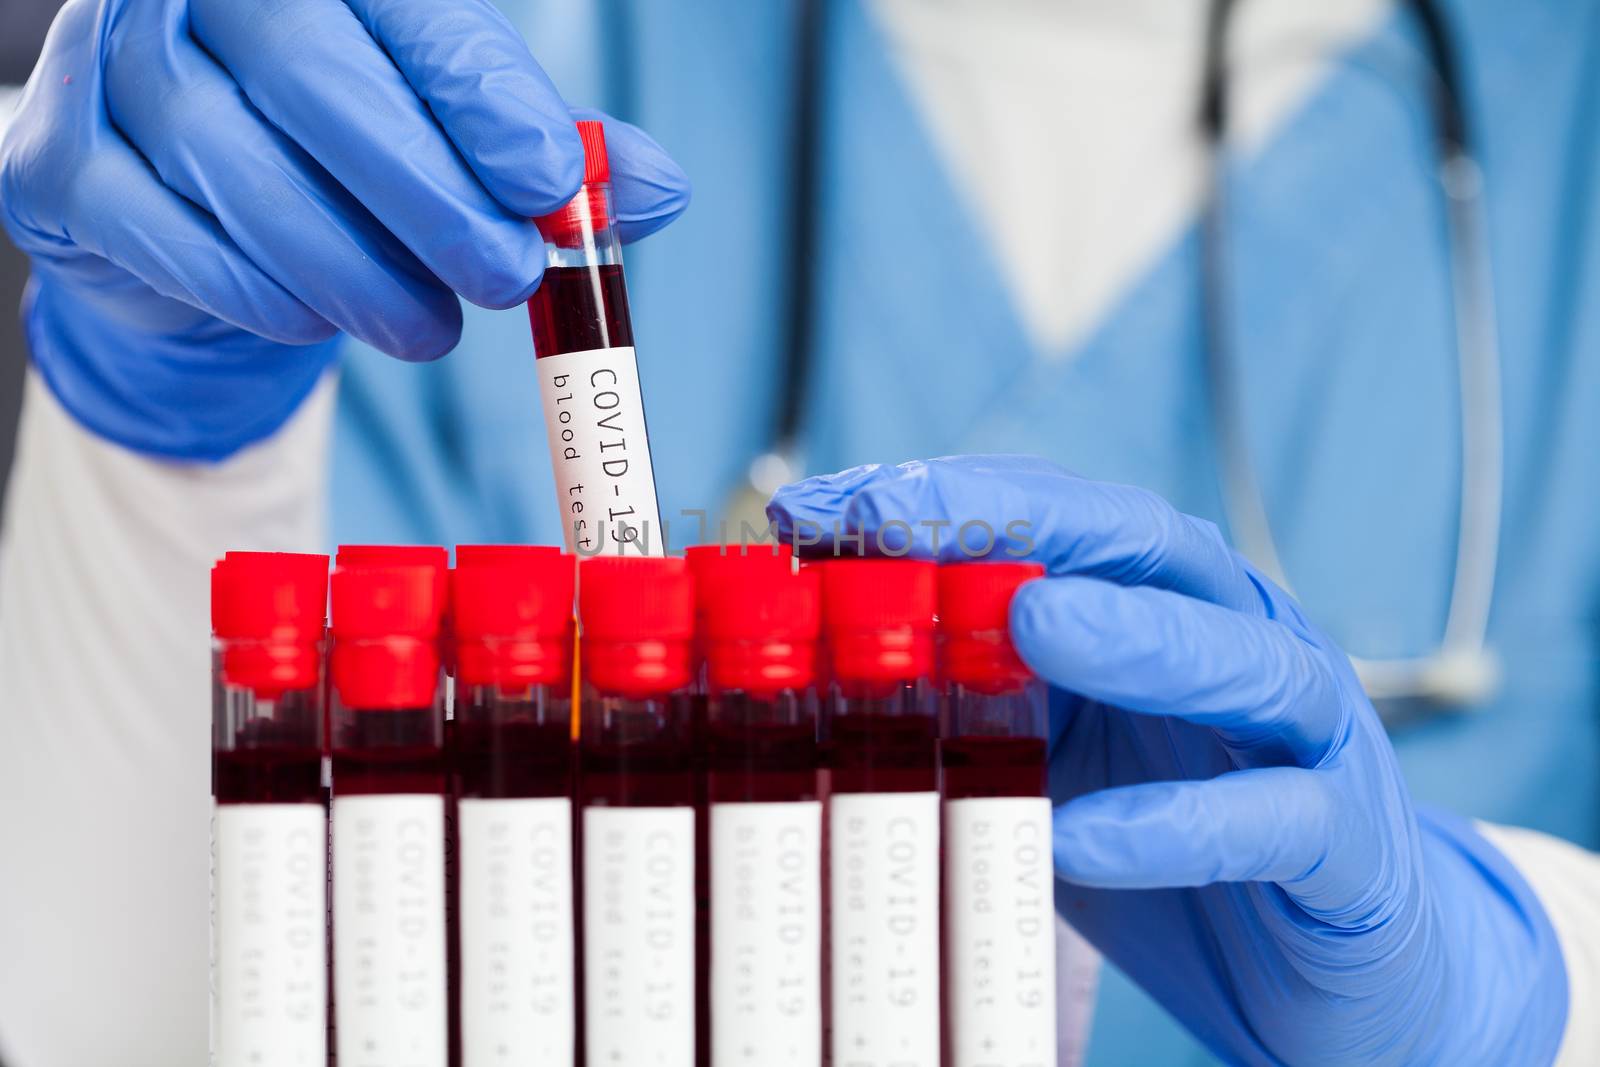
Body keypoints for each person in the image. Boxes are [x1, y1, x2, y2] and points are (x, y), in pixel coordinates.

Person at [0, 1, 1595, 1064]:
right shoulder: (483, 54)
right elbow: (149, 1011)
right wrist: (164, 444)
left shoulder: (1564, 129)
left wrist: (1537, 986)